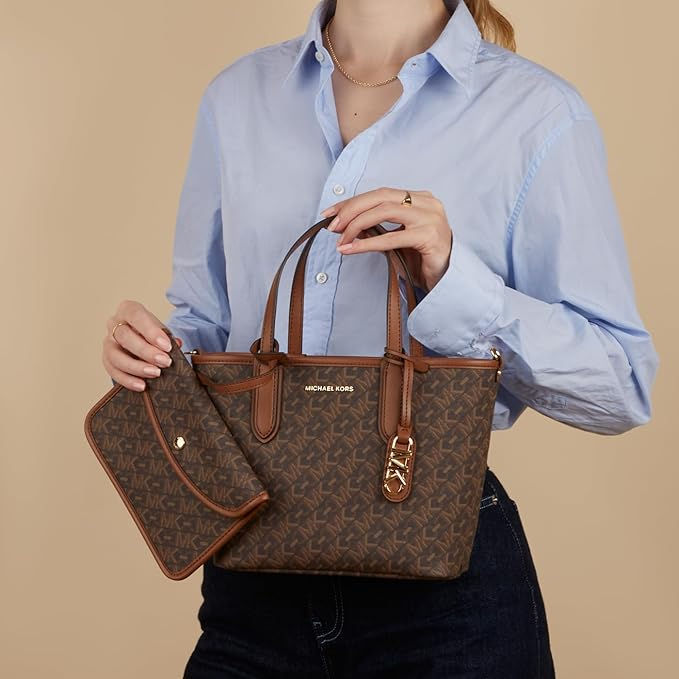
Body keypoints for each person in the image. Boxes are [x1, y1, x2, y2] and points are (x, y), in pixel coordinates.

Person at [101, 0, 659, 676]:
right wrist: (153, 355)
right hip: (252, 578)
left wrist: (454, 279)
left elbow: (619, 386)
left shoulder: (536, 114)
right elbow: (208, 327)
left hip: (443, 591)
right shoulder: (237, 96)